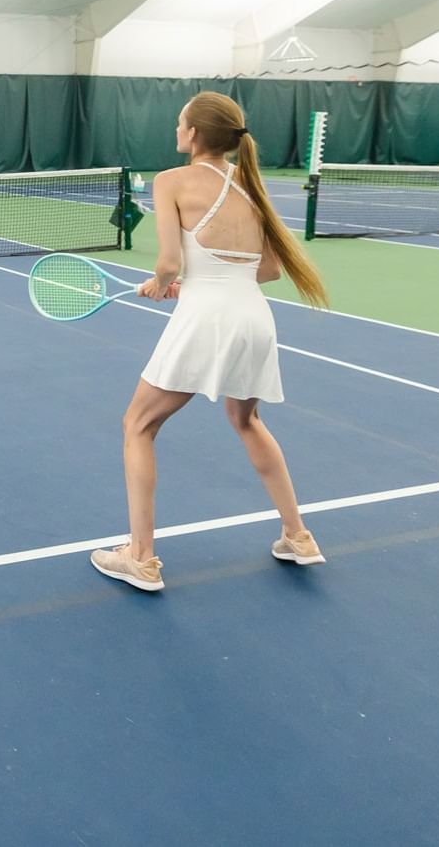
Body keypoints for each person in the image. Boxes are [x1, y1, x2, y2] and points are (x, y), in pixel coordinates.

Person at [90, 90, 330, 593]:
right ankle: (298, 535)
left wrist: (164, 281)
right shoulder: (251, 185)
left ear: (194, 133)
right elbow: (265, 270)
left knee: (138, 425)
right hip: (254, 319)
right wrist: (196, 281)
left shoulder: (171, 180)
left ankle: (141, 558)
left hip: (206, 319)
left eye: (181, 122)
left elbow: (170, 263)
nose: (177, 129)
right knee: (247, 420)